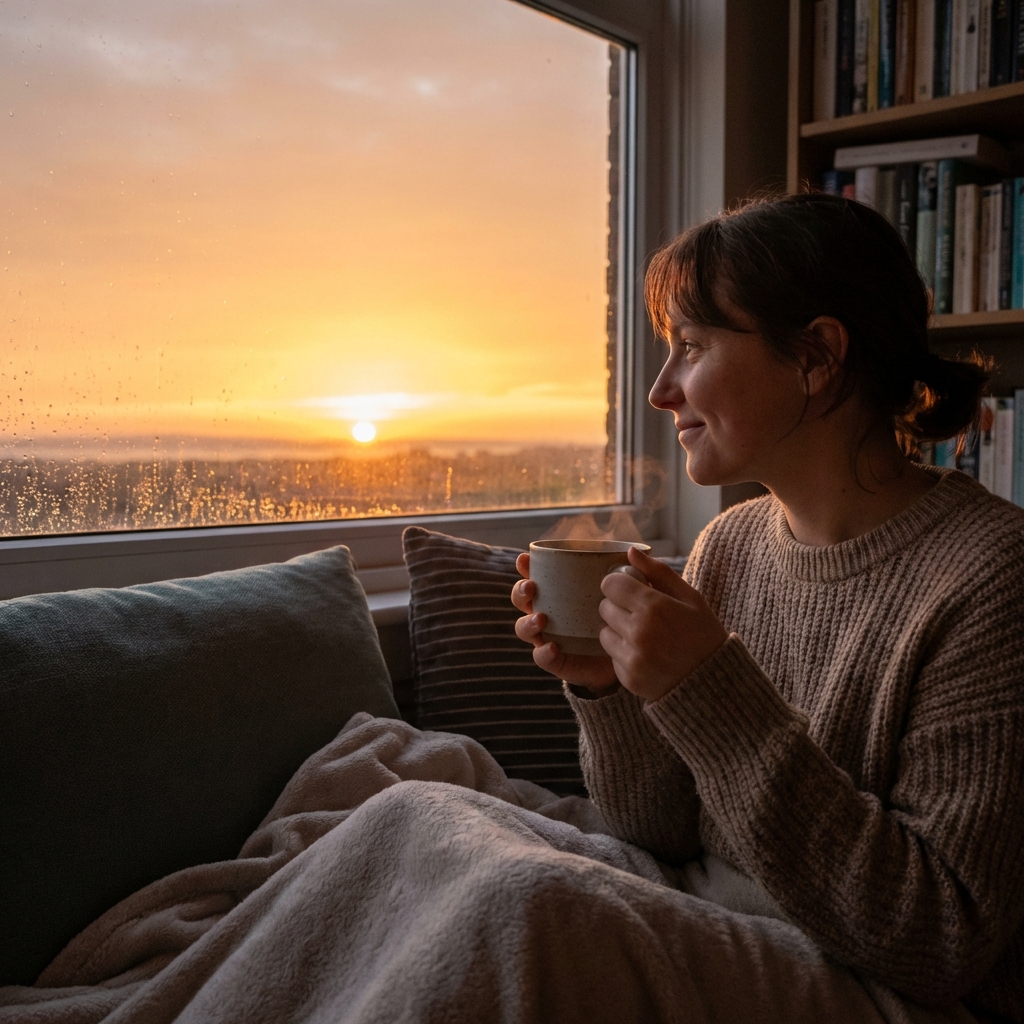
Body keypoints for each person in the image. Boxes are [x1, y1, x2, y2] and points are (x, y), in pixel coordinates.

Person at [512, 193, 1024, 1024]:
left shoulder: (994, 577)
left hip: (875, 993)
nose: (661, 391)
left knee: (511, 905)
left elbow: (940, 936)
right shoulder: (731, 545)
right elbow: (663, 833)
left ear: (816, 357)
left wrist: (712, 693)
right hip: (716, 928)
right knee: (412, 815)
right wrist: (611, 689)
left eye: (691, 347)